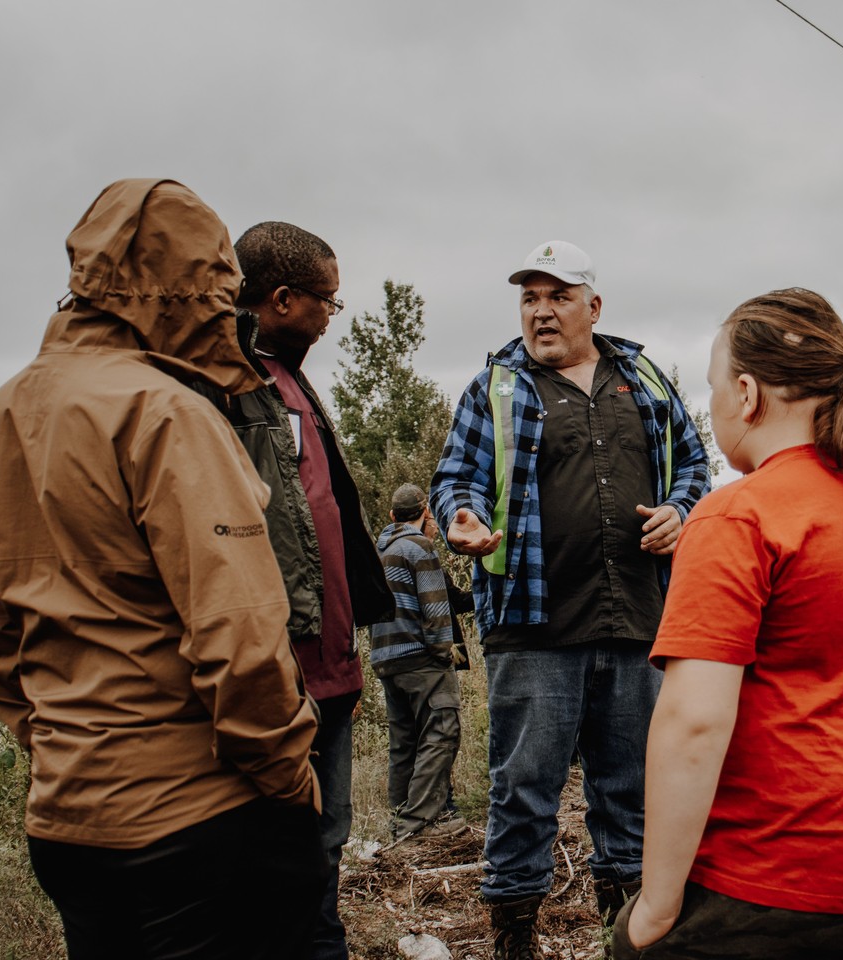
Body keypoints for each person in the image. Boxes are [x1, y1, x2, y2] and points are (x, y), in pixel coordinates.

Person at [0, 179, 326, 960]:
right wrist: (291, 779)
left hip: (67, 822)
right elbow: (241, 640)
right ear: (190, 289)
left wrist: (61, 743)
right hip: (199, 819)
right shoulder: (167, 414)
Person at [615, 288, 843, 960]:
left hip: (779, 874)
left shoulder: (736, 515)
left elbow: (693, 724)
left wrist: (656, 905)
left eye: (712, 386)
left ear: (746, 394)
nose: (710, 406)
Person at [431, 240, 711, 958]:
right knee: (523, 793)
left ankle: (627, 935)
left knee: (632, 793)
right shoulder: (494, 386)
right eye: (529, 297)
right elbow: (455, 477)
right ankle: (514, 939)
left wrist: (682, 511)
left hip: (638, 623)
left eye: (557, 296)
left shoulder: (643, 379)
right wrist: (463, 516)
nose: (541, 311)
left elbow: (693, 466)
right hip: (533, 626)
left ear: (594, 306)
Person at [218, 221, 395, 960]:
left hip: (331, 667)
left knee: (325, 845)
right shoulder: (221, 384)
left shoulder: (288, 378)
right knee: (275, 863)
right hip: (279, 674)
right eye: (328, 301)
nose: (331, 316)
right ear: (282, 299)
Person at [369, 482, 467, 841]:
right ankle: (419, 824)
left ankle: (398, 821)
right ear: (426, 514)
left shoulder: (379, 551)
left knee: (404, 742)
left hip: (385, 657)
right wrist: (445, 654)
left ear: (394, 516)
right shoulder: (419, 546)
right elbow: (435, 607)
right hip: (420, 659)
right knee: (442, 732)